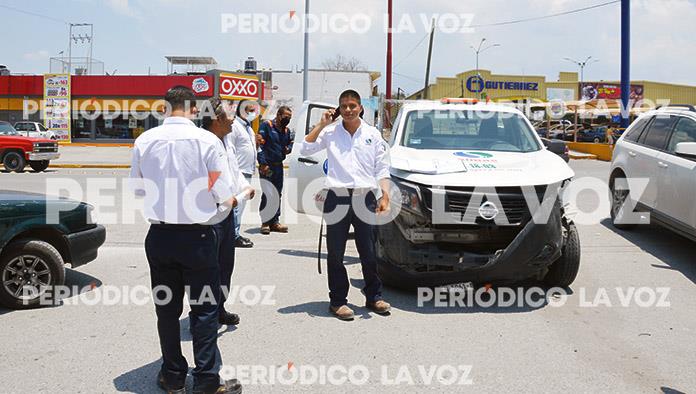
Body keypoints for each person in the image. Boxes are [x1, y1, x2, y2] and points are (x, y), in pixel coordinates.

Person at [130, 86, 242, 394]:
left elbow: (138, 191)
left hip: (160, 237)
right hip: (198, 237)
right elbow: (222, 193)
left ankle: (173, 375)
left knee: (166, 309)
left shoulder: (144, 140)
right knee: (204, 309)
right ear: (194, 109)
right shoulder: (207, 141)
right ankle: (207, 380)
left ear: (165, 108)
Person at [300, 89, 392, 321]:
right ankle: (338, 301)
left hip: (365, 198)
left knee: (369, 252)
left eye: (352, 105)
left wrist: (385, 196)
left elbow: (382, 168)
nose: (348, 110)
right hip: (337, 198)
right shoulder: (330, 132)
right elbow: (306, 148)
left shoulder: (372, 134)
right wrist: (321, 124)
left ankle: (374, 296)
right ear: (338, 110)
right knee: (336, 253)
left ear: (360, 107)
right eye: (344, 106)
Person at [201, 97, 256, 327]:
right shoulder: (203, 144)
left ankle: (219, 308)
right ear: (218, 119)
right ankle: (204, 316)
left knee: (225, 265)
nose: (234, 119)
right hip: (209, 217)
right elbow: (207, 181)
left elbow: (234, 170)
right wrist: (225, 198)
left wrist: (244, 186)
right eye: (230, 115)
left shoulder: (226, 140)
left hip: (227, 214)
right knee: (207, 270)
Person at [225, 100, 259, 248]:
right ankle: (233, 236)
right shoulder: (235, 127)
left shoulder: (249, 129)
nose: (253, 113)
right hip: (238, 171)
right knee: (236, 205)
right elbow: (230, 149)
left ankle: (235, 233)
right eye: (250, 110)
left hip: (247, 170)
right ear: (241, 110)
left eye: (254, 110)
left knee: (241, 204)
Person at [257, 105, 293, 235]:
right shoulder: (267, 125)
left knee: (277, 193)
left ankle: (275, 221)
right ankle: (265, 222)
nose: (287, 119)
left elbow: (290, 143)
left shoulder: (286, 131)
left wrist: (288, 148)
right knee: (268, 192)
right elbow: (259, 145)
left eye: (289, 118)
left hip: (278, 166)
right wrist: (262, 163)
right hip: (267, 165)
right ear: (278, 115)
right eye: (285, 117)